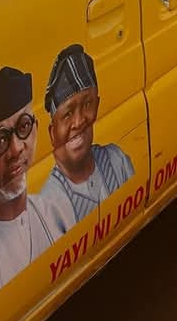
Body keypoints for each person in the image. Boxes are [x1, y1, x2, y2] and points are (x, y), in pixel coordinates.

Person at [0, 67, 59, 290]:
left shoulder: (47, 212)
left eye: (23, 127)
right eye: (0, 140)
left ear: (36, 130)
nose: (16, 149)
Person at [37, 45, 135, 231]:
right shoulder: (49, 205)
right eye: (67, 114)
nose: (79, 121)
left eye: (87, 104)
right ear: (52, 132)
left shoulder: (116, 159)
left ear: (97, 104)